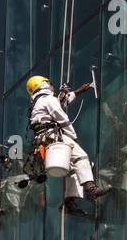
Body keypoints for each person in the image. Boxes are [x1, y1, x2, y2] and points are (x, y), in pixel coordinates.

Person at [26, 75, 109, 216]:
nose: (52, 86)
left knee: (72, 168)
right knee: (81, 157)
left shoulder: (37, 102)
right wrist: (74, 137)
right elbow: (62, 118)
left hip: (45, 139)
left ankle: (69, 202)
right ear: (43, 85)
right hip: (54, 136)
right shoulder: (48, 99)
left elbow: (60, 102)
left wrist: (77, 91)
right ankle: (90, 188)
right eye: (49, 84)